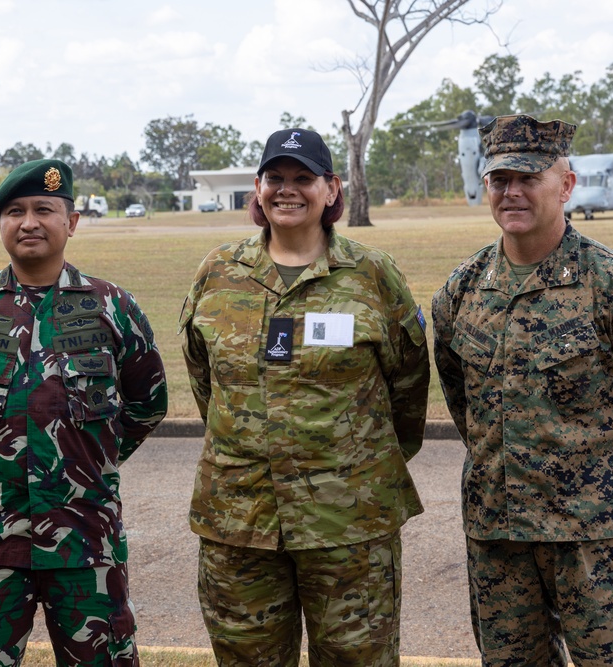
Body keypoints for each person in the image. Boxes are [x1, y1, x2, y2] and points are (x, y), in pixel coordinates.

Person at [179, 128, 430, 665]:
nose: (287, 190)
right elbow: (207, 385)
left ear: (332, 189)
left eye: (303, 178)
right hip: (240, 522)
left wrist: (354, 466)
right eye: (276, 178)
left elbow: (408, 388)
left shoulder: (372, 275)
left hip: (351, 525)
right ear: (258, 187)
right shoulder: (219, 273)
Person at [0, 158, 168, 666]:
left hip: (87, 540)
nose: (29, 222)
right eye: (15, 211)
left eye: (44, 209)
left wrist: (89, 461)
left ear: (71, 221)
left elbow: (147, 402)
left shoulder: (113, 307)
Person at [431, 114, 613, 666]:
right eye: (499, 178)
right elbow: (468, 408)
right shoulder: (460, 294)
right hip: (498, 535)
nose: (512, 191)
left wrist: (596, 486)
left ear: (566, 184)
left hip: (593, 539)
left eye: (528, 178)